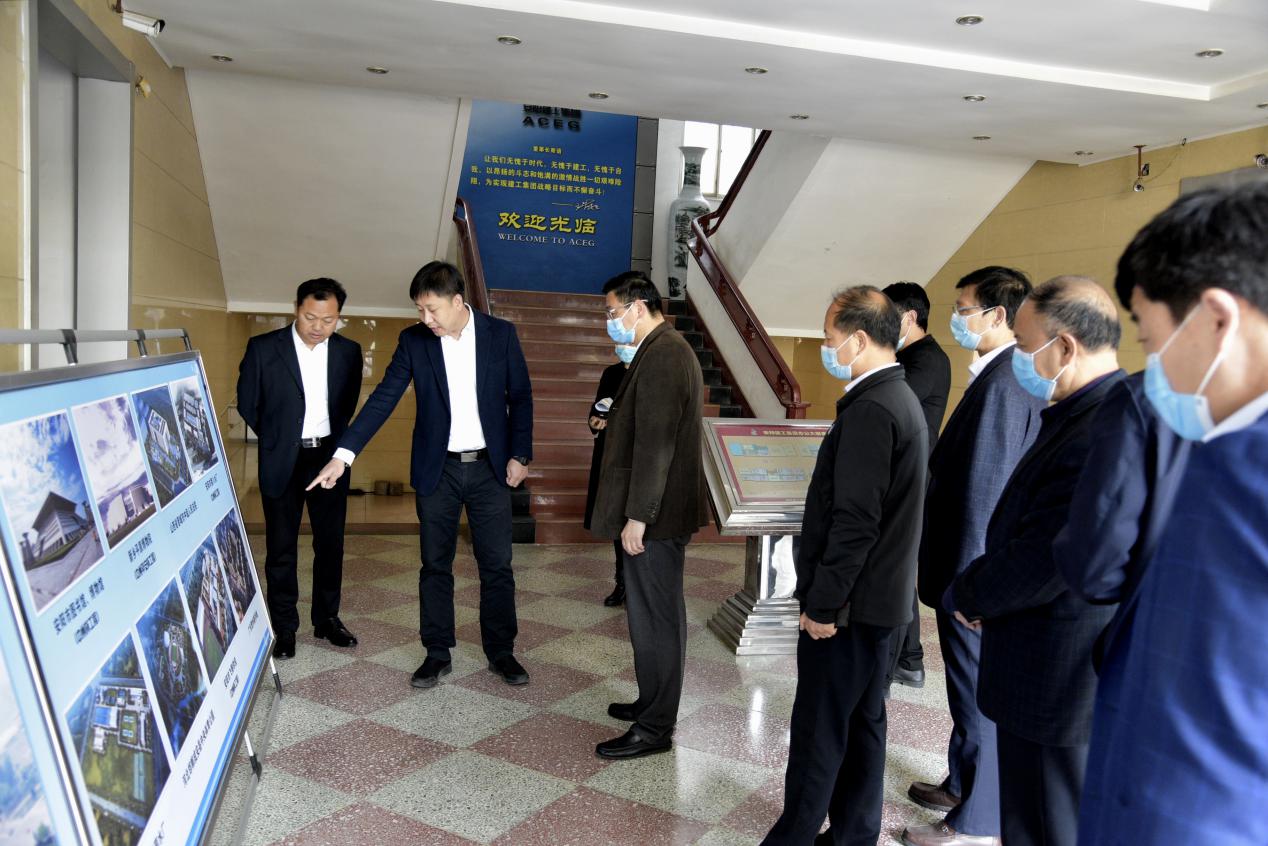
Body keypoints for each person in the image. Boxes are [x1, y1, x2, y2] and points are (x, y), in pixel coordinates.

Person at [1077, 182, 1268, 846]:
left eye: (1150, 337)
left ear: (1216, 318)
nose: (1152, 364)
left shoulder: (1248, 465)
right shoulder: (1225, 447)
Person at [948, 275, 1126, 846]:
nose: (1020, 359)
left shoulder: (1100, 431)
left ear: (1065, 347)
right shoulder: (1089, 412)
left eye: (1025, 346)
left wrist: (972, 593)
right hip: (1046, 663)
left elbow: (1046, 558)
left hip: (1058, 675)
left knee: (1047, 823)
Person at [308, 261, 533, 689]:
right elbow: (383, 399)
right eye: (419, 310)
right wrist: (343, 456)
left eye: (432, 309)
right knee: (434, 565)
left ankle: (501, 651)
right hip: (438, 470)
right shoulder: (414, 341)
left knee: (497, 565)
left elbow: (520, 396)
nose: (425, 318)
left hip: (489, 468)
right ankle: (436, 652)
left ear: (457, 302)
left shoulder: (500, 334)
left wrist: (520, 454)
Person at [763, 286, 927, 845]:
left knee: (820, 730)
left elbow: (855, 523)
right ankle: (854, 834)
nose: (826, 349)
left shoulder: (873, 410)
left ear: (858, 340)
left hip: (850, 611)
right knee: (863, 723)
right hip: (882, 604)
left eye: (830, 339)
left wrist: (823, 605)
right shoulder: (895, 397)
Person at [904, 266, 1043, 846]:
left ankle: (976, 819)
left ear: (997, 315)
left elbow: (986, 495)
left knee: (976, 692)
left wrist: (970, 589)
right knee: (965, 691)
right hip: (966, 572)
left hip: (971, 578)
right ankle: (962, 780)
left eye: (964, 310)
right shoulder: (998, 375)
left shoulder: (1007, 383)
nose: (957, 320)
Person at [590, 271, 708, 760]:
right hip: (657, 510)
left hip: (656, 516)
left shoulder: (664, 354)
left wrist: (638, 516)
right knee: (650, 615)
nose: (610, 321)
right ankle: (650, 701)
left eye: (612, 312)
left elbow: (657, 444)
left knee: (656, 619)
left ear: (638, 307)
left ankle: (655, 728)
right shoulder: (660, 348)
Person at [236, 278, 363, 660]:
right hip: (283, 459)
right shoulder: (263, 348)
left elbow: (346, 405)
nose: (318, 327)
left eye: (328, 320)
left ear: (338, 317)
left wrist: (335, 449)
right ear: (296, 309)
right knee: (281, 547)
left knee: (331, 544)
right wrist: (279, 437)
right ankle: (285, 628)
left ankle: (327, 619)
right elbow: (247, 402)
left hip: (329, 459)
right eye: (310, 317)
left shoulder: (349, 352)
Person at [882, 281, 952, 691]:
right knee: (896, 569)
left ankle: (903, 660)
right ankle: (907, 658)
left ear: (909, 317)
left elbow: (890, 406)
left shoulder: (926, 359)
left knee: (896, 569)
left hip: (910, 479)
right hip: (899, 475)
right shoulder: (907, 356)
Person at [583, 349, 633, 607]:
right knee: (617, 520)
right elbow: (598, 408)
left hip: (637, 456)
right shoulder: (611, 373)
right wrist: (594, 420)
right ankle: (622, 582)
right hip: (610, 455)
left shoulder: (650, 370)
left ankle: (639, 585)